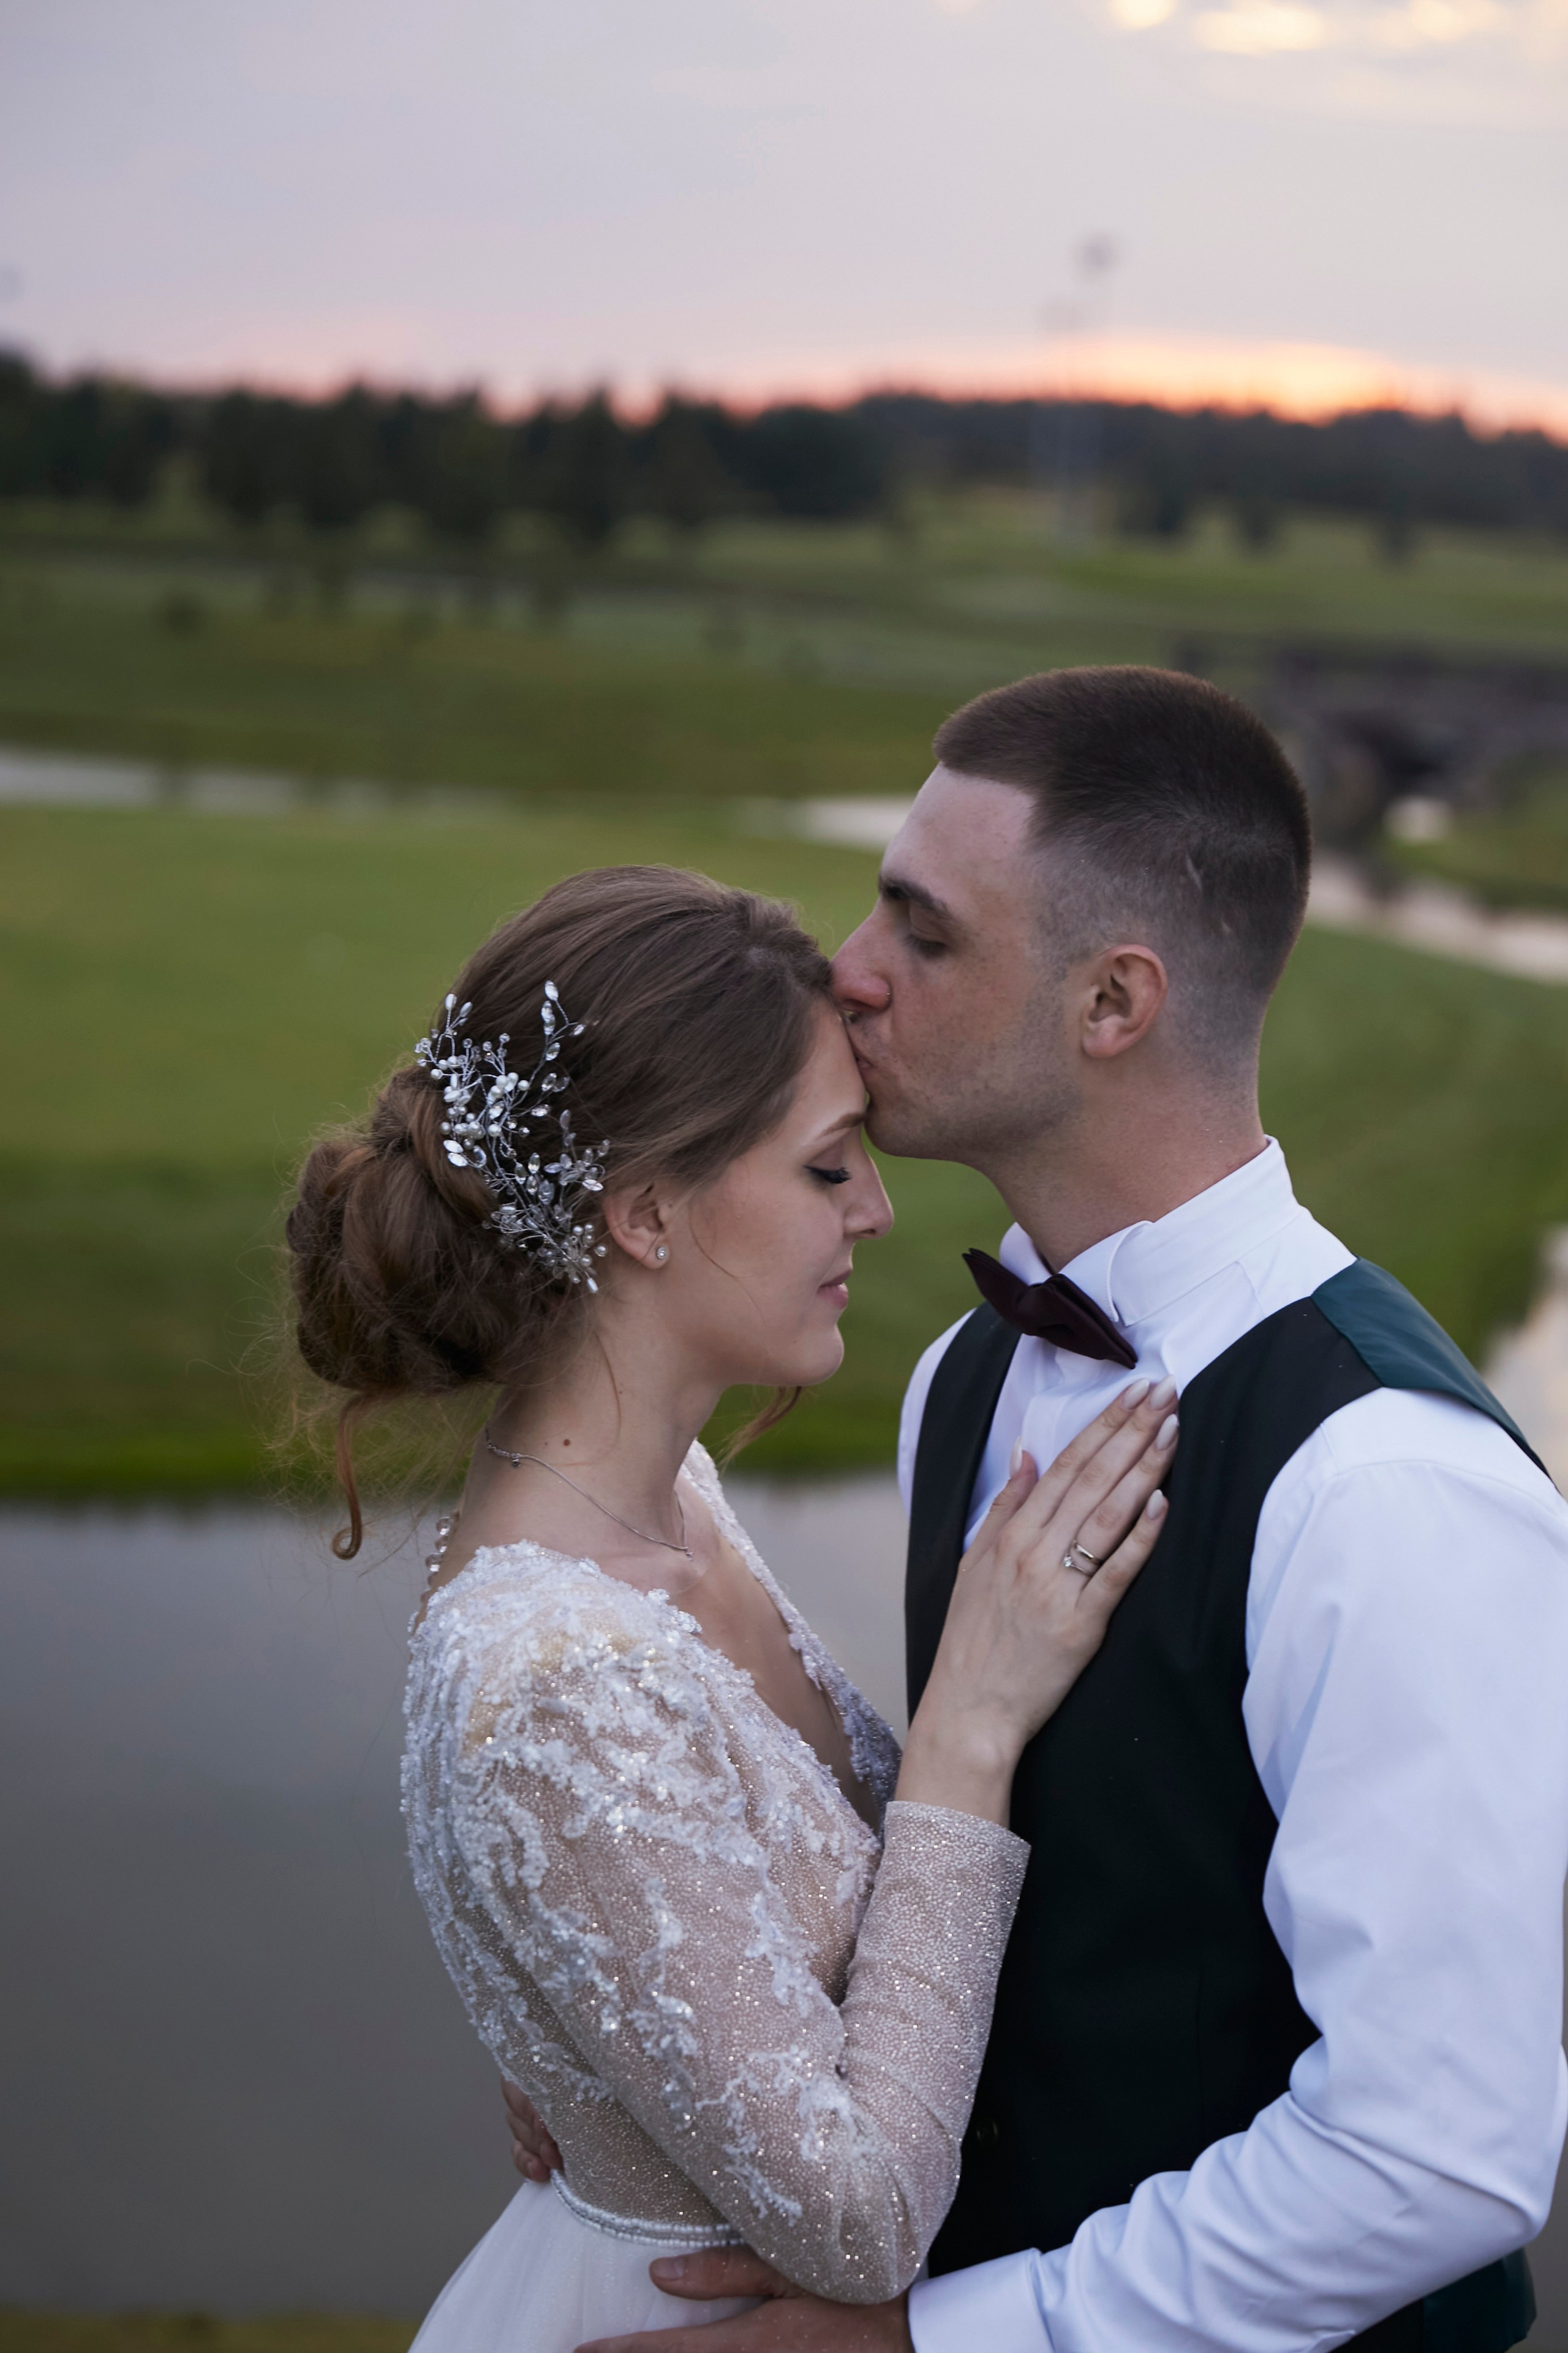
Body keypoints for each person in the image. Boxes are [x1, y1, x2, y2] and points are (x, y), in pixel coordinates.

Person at [508, 667, 1568, 2353]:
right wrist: (637, 2042)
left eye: (924, 935)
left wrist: (946, 2340)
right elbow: (978, 1880)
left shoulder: (1390, 1492)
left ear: (1113, 1003)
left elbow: (1434, 2156)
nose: (849, 968)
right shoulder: (963, 1381)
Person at [285, 863, 1177, 2353]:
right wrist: (965, 1729)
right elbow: (865, 2217)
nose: (880, 1210)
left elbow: (706, 1932)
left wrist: (607, 2037)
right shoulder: (561, 1664)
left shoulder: (672, 1492)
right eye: (828, 1167)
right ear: (643, 1213)